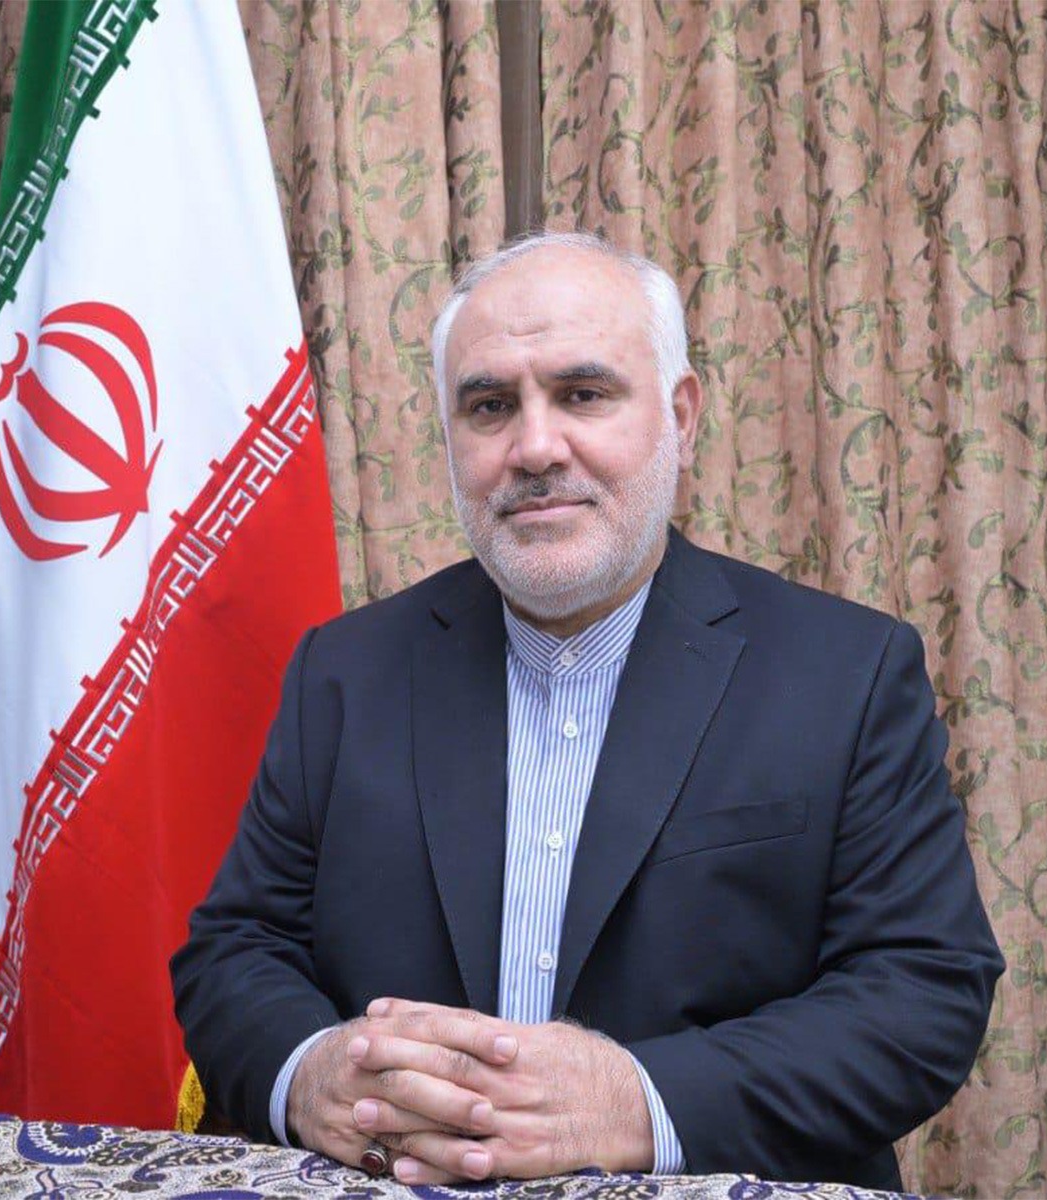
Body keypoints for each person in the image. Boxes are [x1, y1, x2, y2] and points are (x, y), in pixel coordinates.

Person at [170, 231, 1003, 1191]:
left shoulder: (847, 673)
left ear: (681, 418)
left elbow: (922, 991)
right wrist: (313, 1075)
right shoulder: (345, 672)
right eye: (490, 406)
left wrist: (636, 1102)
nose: (534, 448)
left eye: (583, 394)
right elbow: (235, 951)